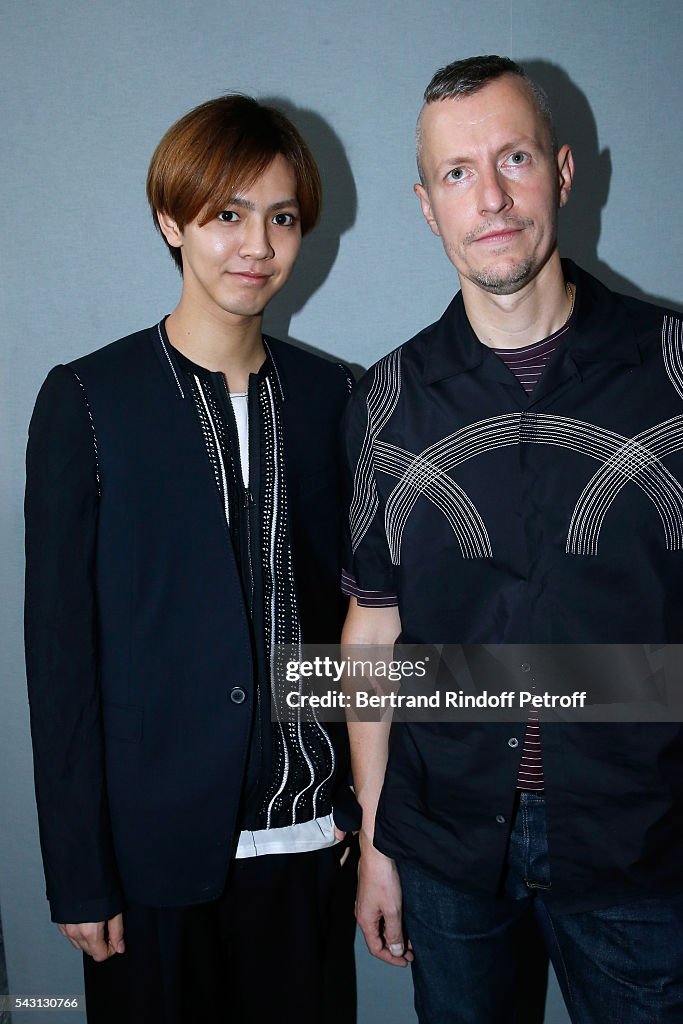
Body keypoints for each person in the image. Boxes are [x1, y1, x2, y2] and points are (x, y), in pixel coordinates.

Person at [341, 55, 683, 1023]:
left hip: (642, 852)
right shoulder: (385, 400)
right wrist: (374, 837)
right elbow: (372, 634)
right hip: (449, 854)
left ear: (562, 172)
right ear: (424, 204)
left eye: (513, 159)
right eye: (455, 173)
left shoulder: (671, 369)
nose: (487, 197)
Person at [25, 94, 358, 1024]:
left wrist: (369, 816)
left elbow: (357, 620)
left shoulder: (340, 399)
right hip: (150, 857)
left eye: (281, 217)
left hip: (308, 838)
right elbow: (60, 665)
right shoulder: (89, 401)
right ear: (172, 220)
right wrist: (79, 872)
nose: (256, 245)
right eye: (227, 214)